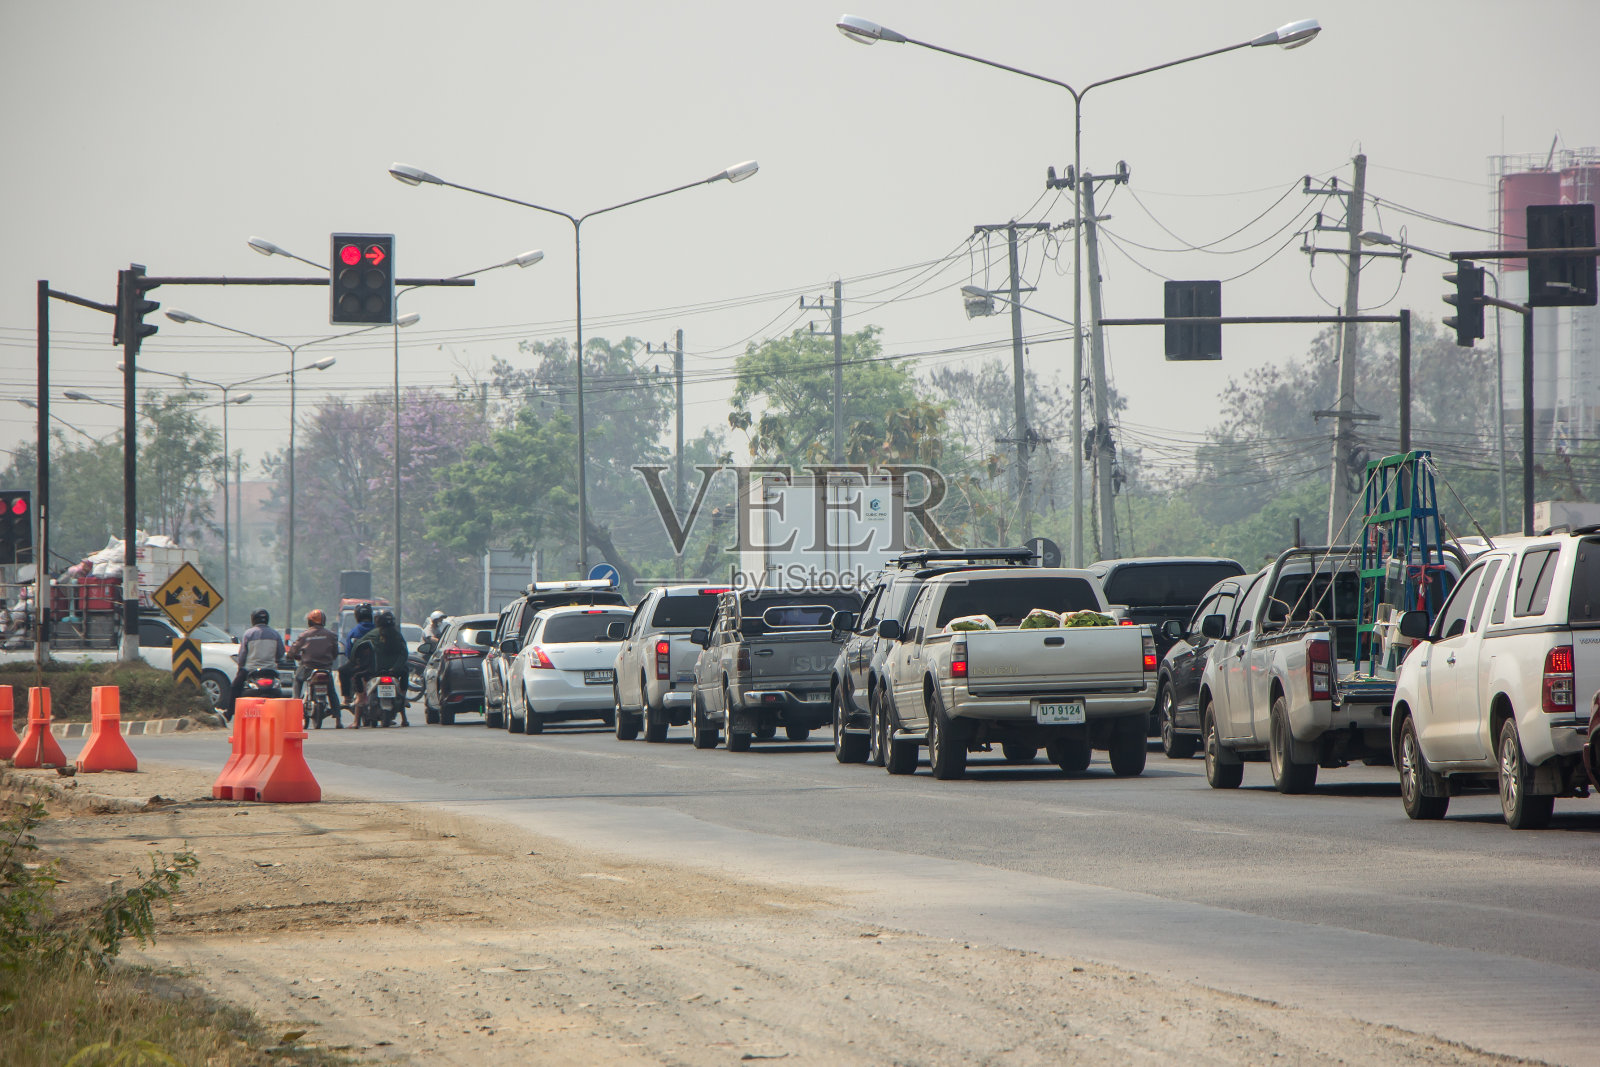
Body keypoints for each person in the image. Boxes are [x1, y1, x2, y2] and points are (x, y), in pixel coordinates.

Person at [351, 609, 411, 726]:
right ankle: (404, 714)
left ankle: (356, 718)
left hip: (374, 671)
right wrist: (395, 668)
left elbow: (357, 647)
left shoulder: (373, 634)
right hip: (394, 672)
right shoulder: (397, 635)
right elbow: (404, 653)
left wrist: (356, 660)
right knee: (405, 673)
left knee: (357, 677)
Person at [287, 608, 342, 727]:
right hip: (325, 669)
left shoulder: (304, 635)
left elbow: (292, 651)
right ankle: (338, 720)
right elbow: (335, 653)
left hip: (308, 668)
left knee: (297, 681)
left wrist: (292, 656)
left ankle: (296, 708)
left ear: (309, 621)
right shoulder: (331, 635)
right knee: (331, 691)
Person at [232, 608, 285, 699]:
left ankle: (231, 708)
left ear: (253, 619)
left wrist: (240, 667)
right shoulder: (275, 634)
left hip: (251, 670)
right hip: (271, 671)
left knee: (234, 687)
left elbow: (242, 655)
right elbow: (280, 653)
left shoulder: (248, 634)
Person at [338, 603, 375, 718]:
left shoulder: (354, 632)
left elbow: (349, 653)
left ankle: (347, 698)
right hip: (376, 665)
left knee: (342, 671)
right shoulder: (377, 630)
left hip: (358, 664)